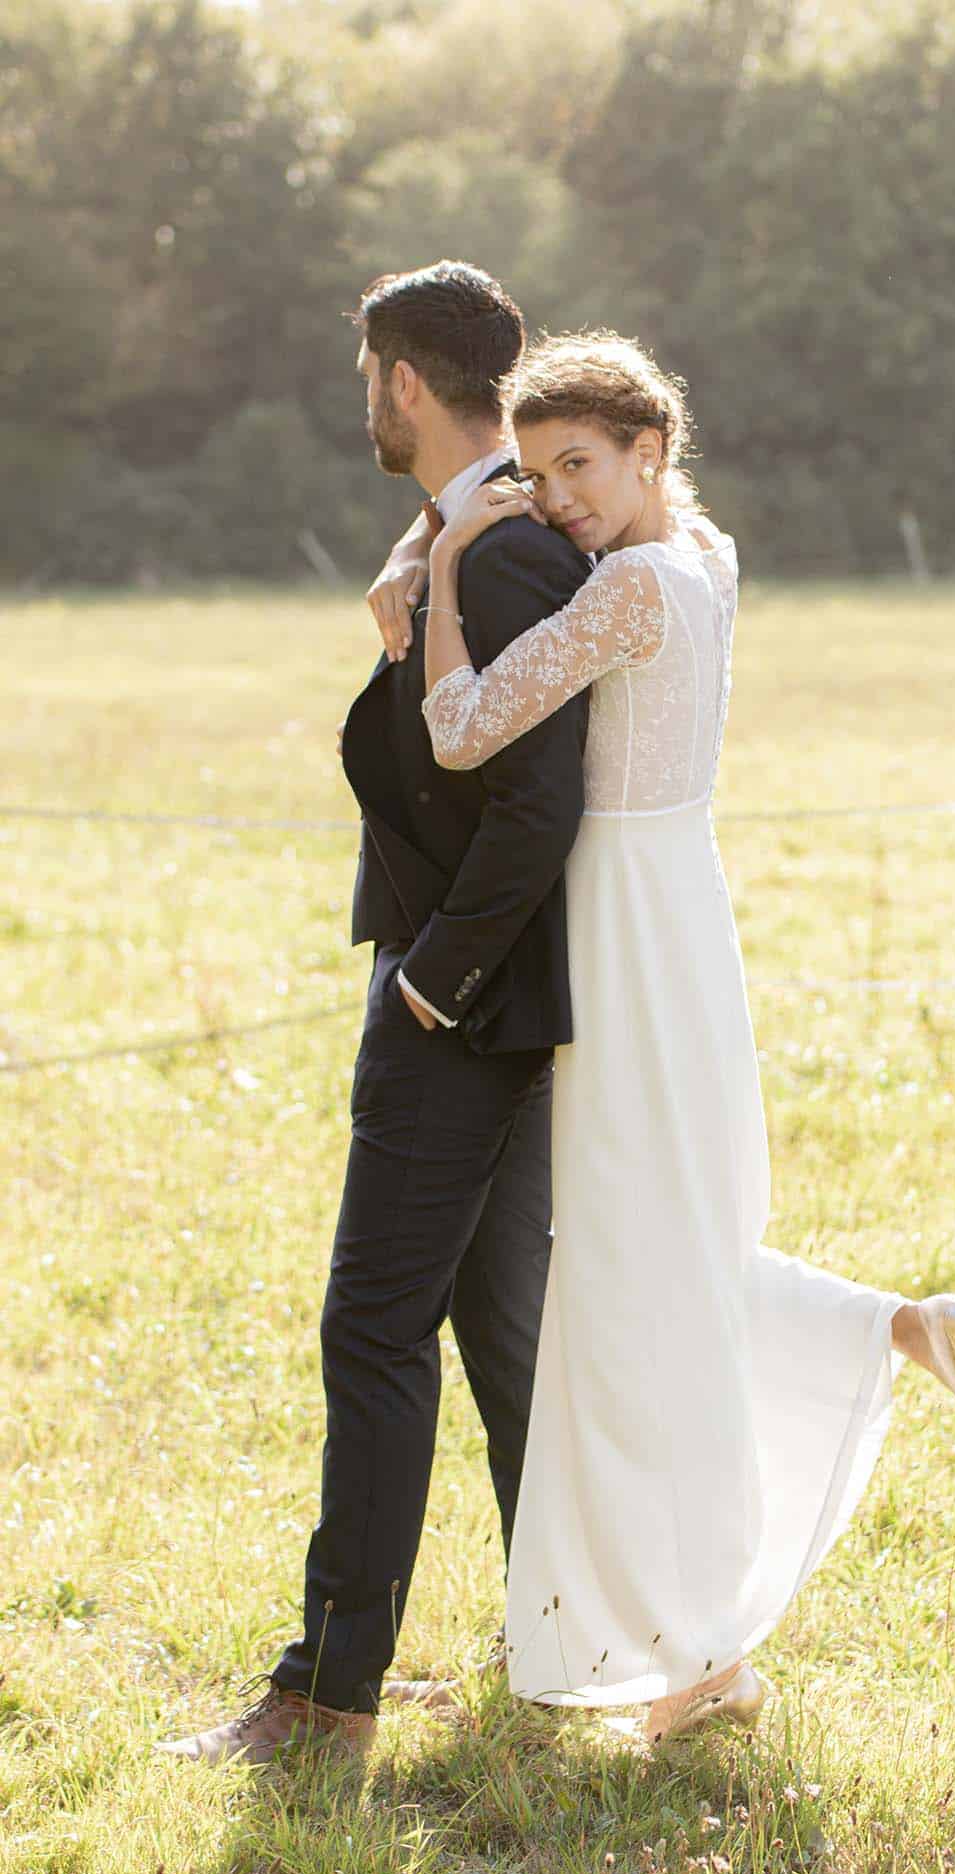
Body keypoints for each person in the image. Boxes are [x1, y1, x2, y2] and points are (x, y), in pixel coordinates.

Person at [380, 328, 955, 1746]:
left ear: (651, 450)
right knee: (673, 1249)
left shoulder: (631, 588)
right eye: (539, 474)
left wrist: (446, 566)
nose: (560, 500)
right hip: (682, 907)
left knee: (633, 1279)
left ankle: (695, 1650)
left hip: (627, 931)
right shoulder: (706, 557)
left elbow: (463, 728)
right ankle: (901, 1335)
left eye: (581, 466)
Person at [157, 263, 600, 1769]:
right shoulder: (469, 534)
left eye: (369, 379)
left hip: (459, 1010)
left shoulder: (510, 554)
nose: (366, 402)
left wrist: (430, 983)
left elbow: (538, 806)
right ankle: (578, 1644)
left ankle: (328, 1697)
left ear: (404, 380)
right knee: (504, 1341)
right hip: (481, 1003)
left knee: (372, 1329)